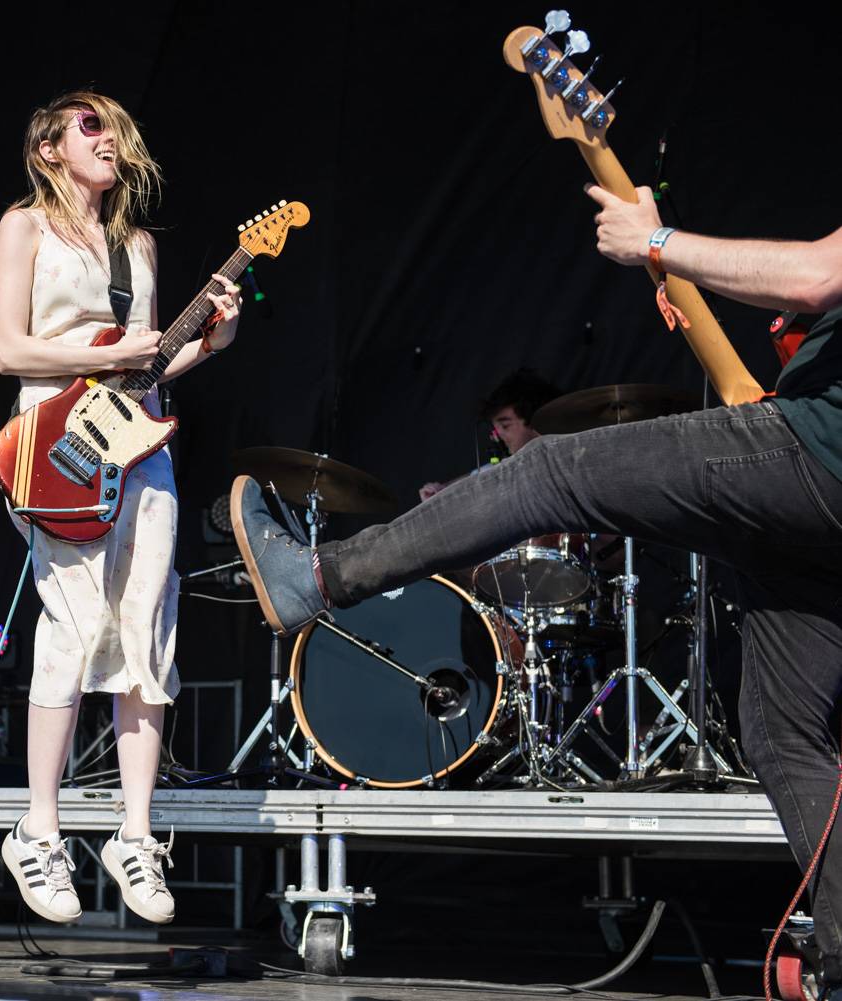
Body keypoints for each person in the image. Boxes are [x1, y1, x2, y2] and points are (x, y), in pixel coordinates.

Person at [229, 180, 842, 989]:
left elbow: (817, 273)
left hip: (819, 453)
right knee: (783, 734)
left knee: (550, 467)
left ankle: (319, 576)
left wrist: (655, 243)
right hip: (814, 507)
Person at [0, 91, 240, 925]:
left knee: (148, 625)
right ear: (50, 145)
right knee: (71, 620)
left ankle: (135, 833)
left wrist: (211, 344)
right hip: (55, 439)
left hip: (138, 448)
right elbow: (9, 348)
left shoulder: (136, 245)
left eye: (115, 129)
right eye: (89, 125)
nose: (108, 139)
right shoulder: (24, 226)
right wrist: (120, 349)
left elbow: (150, 368)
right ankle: (40, 829)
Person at [418, 368, 563, 502]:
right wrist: (442, 490)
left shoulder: (563, 458)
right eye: (496, 428)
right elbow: (485, 473)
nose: (498, 435)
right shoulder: (511, 462)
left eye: (505, 426)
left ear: (536, 419)